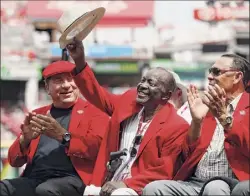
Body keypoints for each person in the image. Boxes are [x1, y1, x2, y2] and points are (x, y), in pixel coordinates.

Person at [66, 38, 189, 196]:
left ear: (166, 95)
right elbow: (98, 96)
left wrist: (125, 183)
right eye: (143, 80)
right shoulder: (129, 101)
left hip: (139, 188)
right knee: (87, 191)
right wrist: (79, 60)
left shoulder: (177, 126)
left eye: (151, 83)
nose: (143, 86)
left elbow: (165, 171)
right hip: (107, 180)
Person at [143, 54, 250, 195]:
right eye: (210, 71)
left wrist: (226, 120)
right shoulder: (206, 106)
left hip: (232, 182)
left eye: (217, 72)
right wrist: (196, 122)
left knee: (215, 187)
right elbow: (186, 154)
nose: (210, 76)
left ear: (237, 77)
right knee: (153, 188)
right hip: (195, 182)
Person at [0, 61, 109, 196]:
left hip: (74, 179)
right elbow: (14, 161)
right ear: (47, 87)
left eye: (71, 79)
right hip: (35, 178)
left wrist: (63, 136)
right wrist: (25, 140)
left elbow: (98, 147)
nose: (66, 85)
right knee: (3, 187)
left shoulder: (95, 111)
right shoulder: (38, 114)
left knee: (46, 190)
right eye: (58, 81)